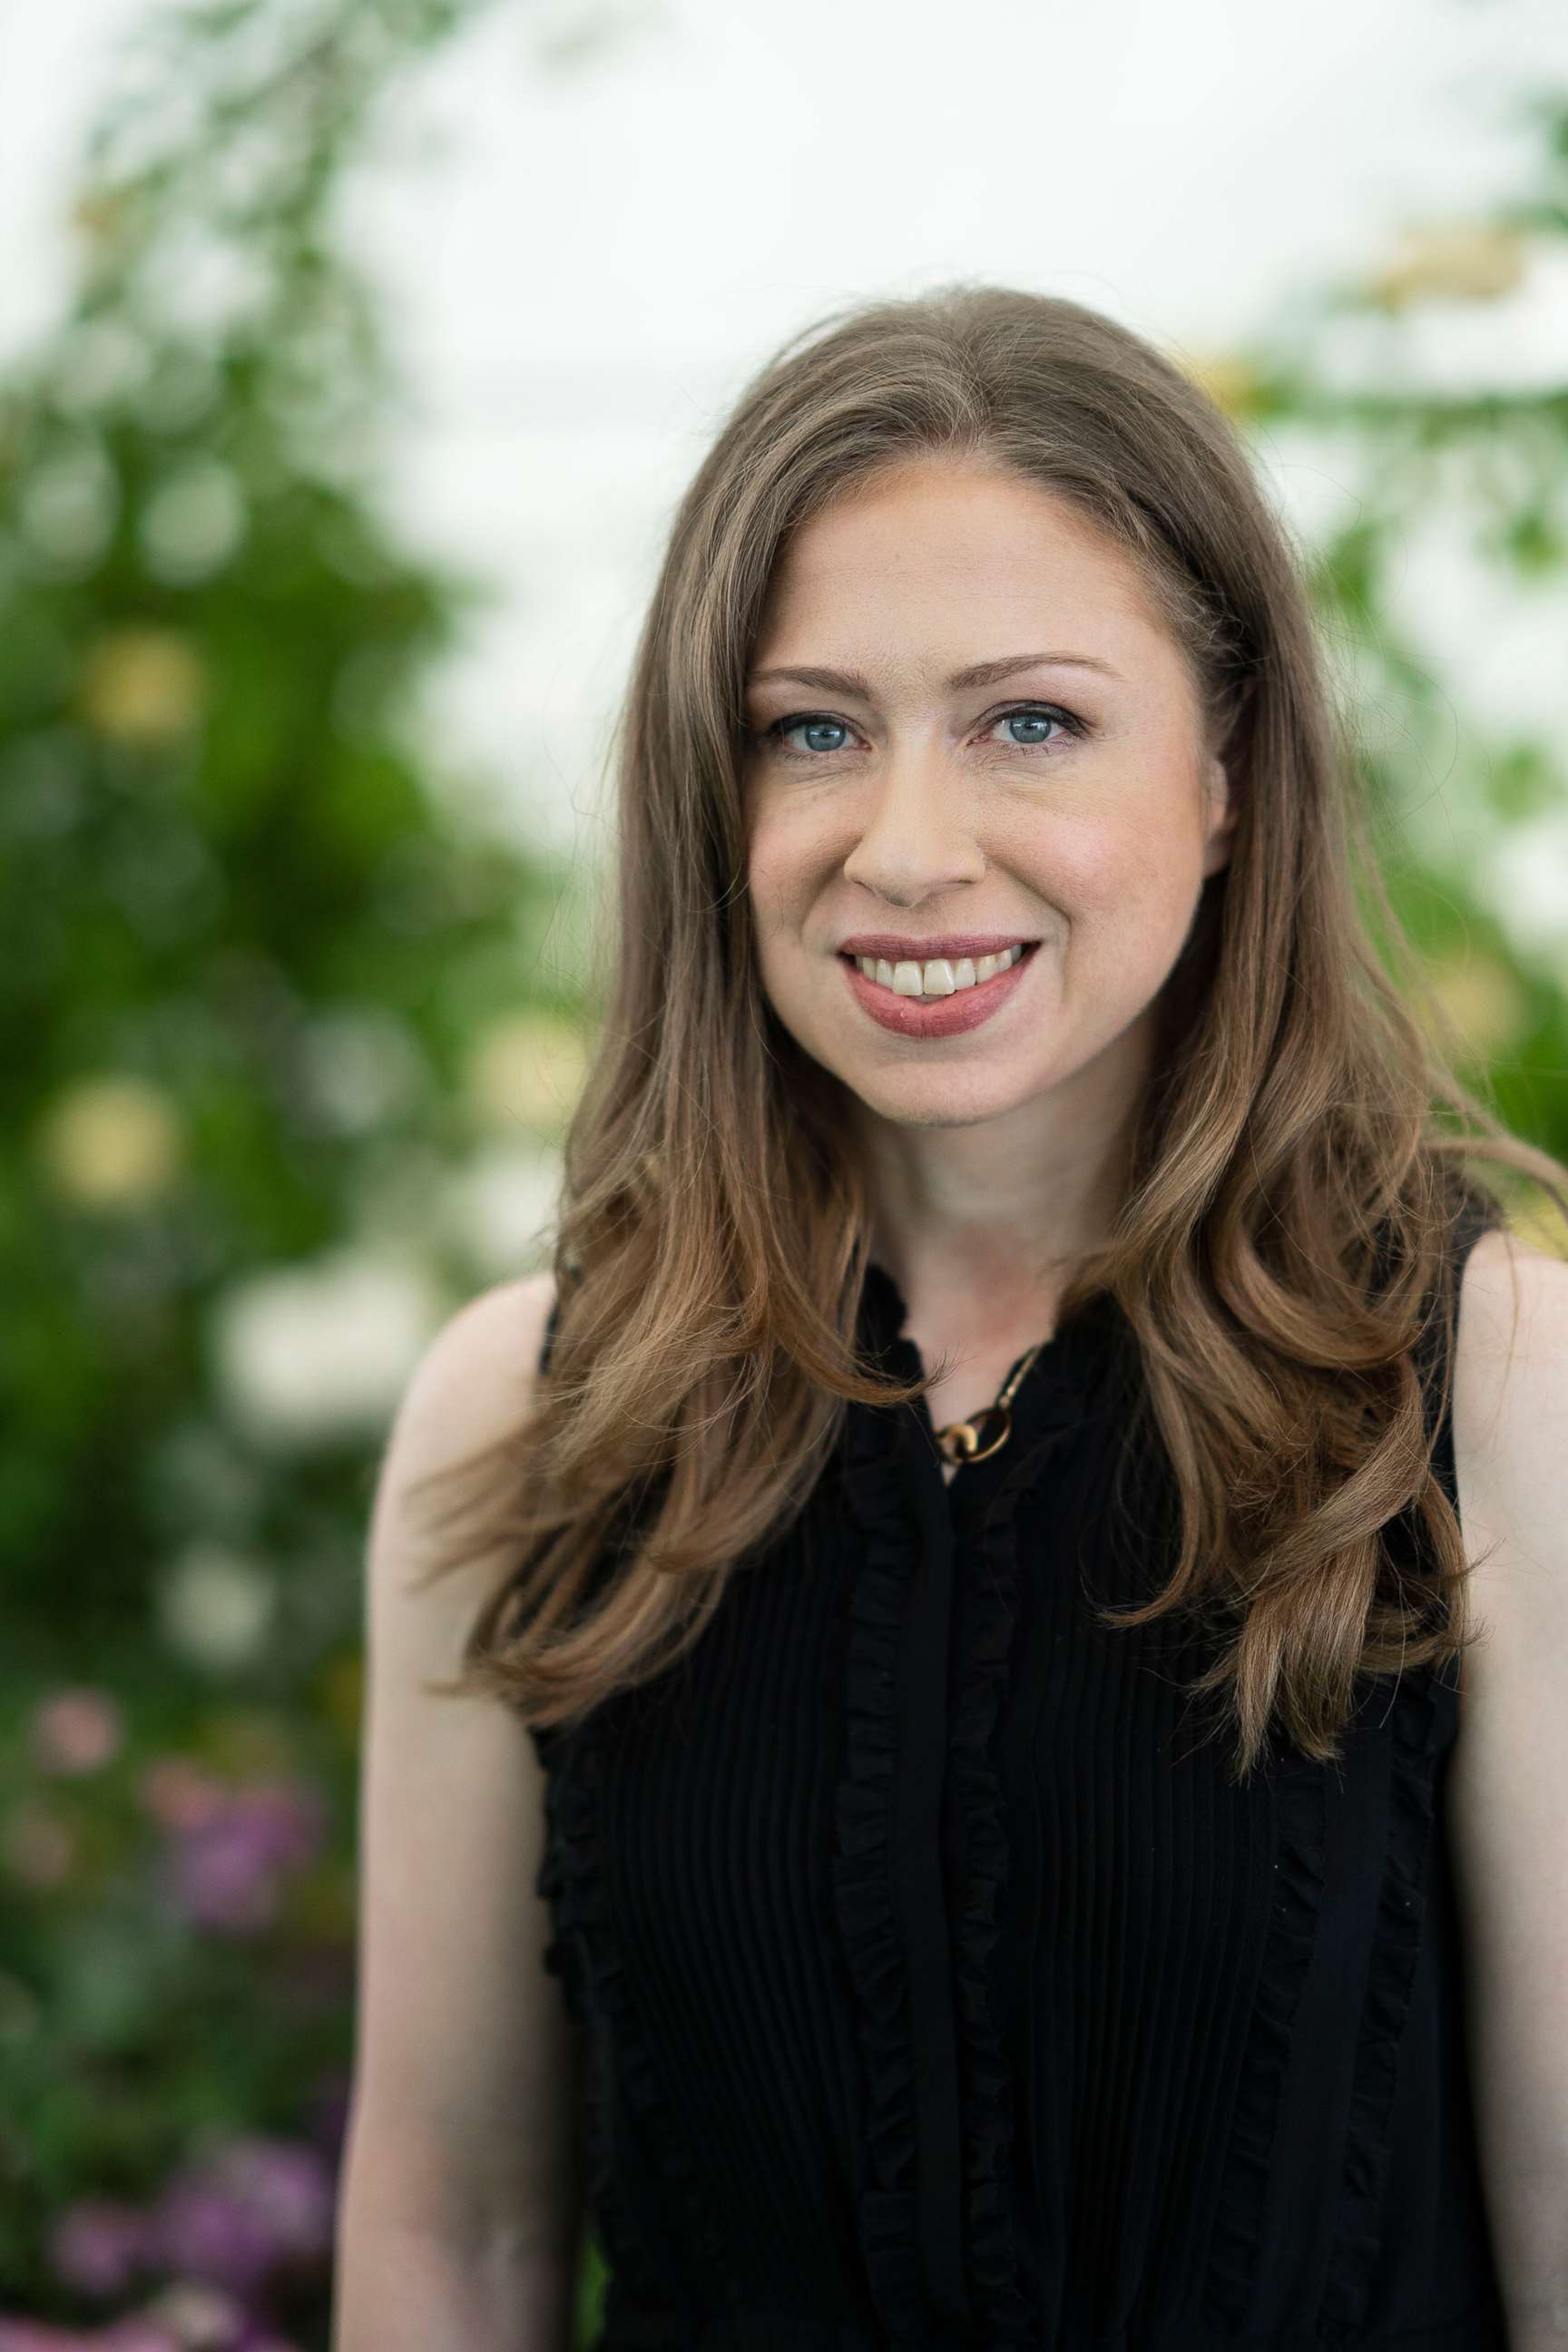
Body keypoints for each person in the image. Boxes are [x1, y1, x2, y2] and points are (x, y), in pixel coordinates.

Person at [331, 287, 1568, 2352]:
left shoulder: (1494, 1388)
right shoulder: (516, 1423)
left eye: (1031, 723)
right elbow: (450, 2238)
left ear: (1233, 768)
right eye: (815, 729)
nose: (907, 849)